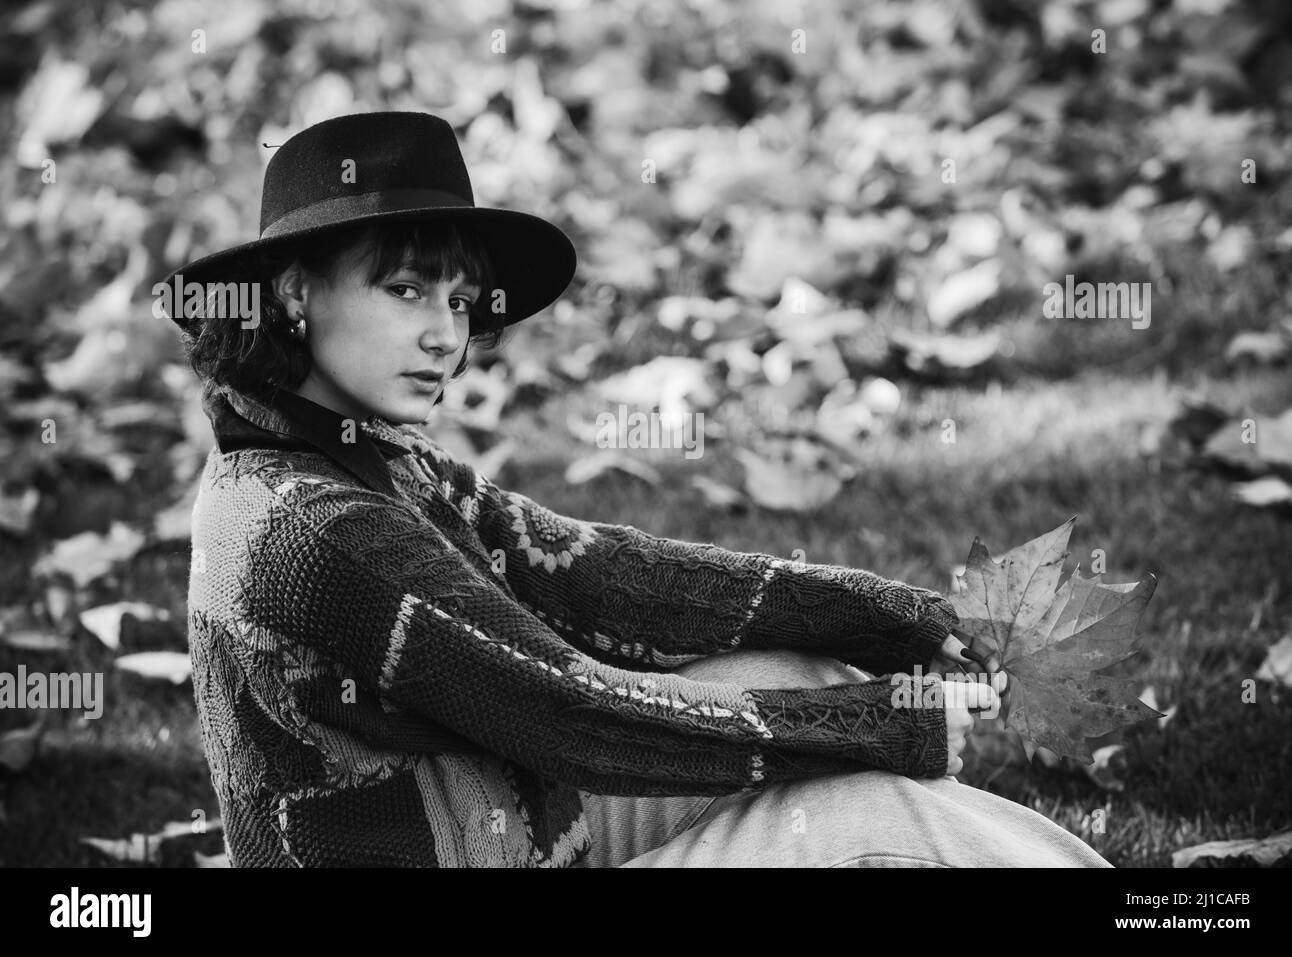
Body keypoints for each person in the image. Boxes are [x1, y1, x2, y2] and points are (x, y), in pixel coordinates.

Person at [162, 110, 1109, 867]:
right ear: (293, 292)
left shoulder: (365, 458)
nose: (446, 335)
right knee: (868, 807)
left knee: (797, 678)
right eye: (406, 291)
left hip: (519, 825)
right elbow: (575, 716)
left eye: (457, 301)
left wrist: (905, 618)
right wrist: (884, 726)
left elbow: (601, 577)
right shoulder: (303, 527)